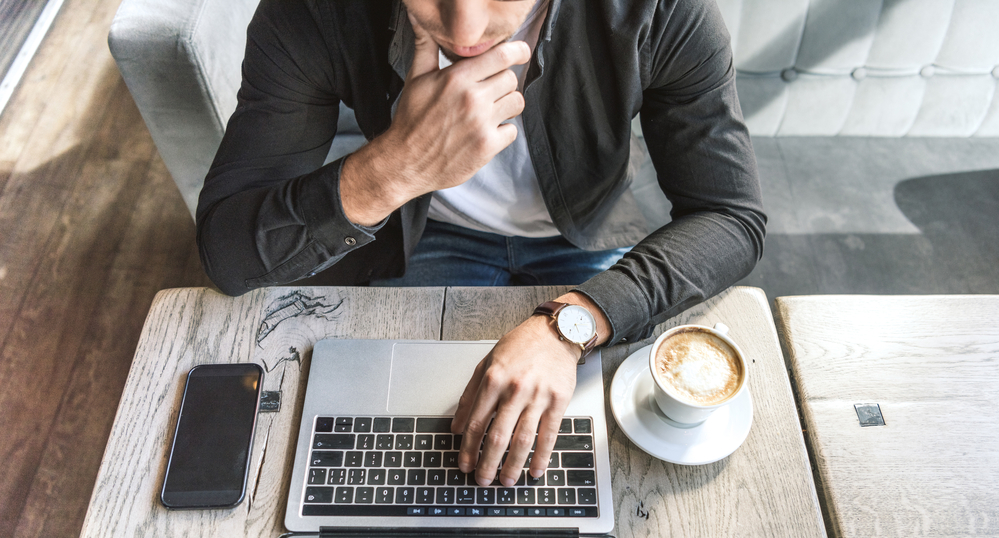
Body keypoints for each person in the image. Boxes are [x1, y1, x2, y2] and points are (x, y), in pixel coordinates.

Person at [196, 0, 766, 490]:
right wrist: (394, 169)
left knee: (600, 459)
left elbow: (730, 215)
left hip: (585, 234)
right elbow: (230, 255)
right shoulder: (315, 12)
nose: (465, 32)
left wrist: (574, 322)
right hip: (428, 235)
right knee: (412, 448)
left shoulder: (661, 10)